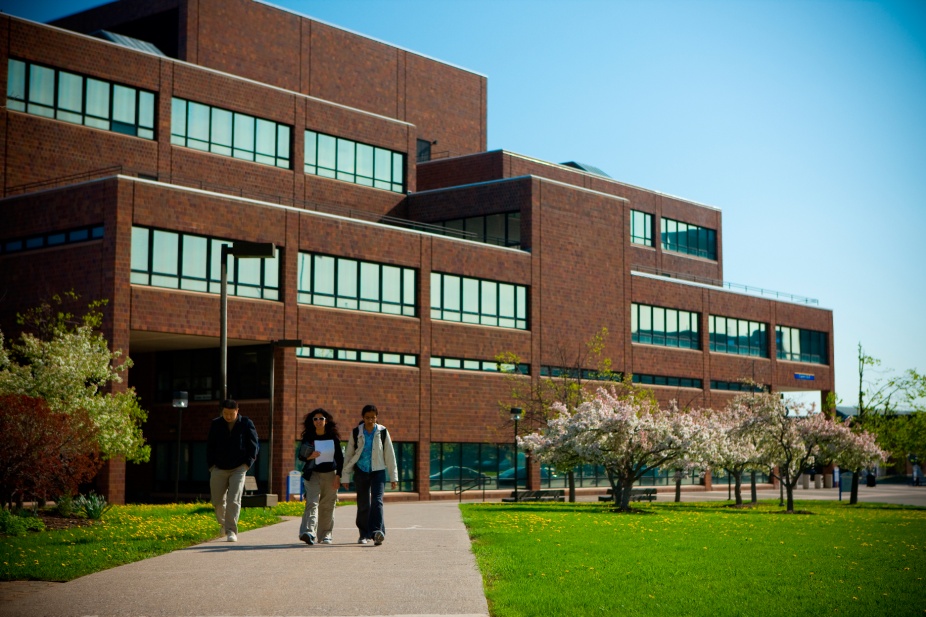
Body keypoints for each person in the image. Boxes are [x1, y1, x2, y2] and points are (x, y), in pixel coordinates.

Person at [341, 404, 398, 546]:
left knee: (377, 501)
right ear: (363, 418)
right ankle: (363, 534)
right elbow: (348, 455)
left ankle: (377, 532)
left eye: (373, 417)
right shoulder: (356, 432)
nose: (370, 420)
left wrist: (393, 476)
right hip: (361, 471)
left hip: (378, 471)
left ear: (376, 418)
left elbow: (389, 454)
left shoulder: (383, 432)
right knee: (363, 504)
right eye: (367, 417)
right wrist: (345, 477)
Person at [206, 399, 259, 542]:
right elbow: (210, 446)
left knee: (234, 500)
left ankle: (231, 531)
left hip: (238, 468)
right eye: (225, 413)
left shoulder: (246, 424)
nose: (228, 416)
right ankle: (223, 524)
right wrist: (211, 466)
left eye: (231, 413)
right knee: (217, 501)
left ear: (237, 411)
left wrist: (247, 464)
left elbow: (254, 446)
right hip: (218, 468)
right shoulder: (216, 424)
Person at [297, 408, 344, 545]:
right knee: (312, 502)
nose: (318, 421)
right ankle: (309, 532)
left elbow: (340, 459)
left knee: (327, 505)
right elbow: (301, 456)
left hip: (330, 474)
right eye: (315, 419)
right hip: (312, 474)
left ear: (326, 420)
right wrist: (309, 457)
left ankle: (326, 534)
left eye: (321, 418)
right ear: (312, 422)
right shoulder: (309, 437)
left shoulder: (333, 438)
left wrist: (338, 476)